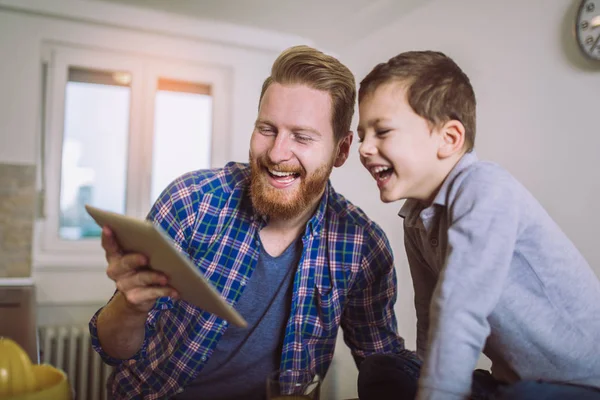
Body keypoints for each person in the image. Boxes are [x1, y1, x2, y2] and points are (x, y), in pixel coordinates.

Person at [89, 45, 406, 400]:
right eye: (267, 129)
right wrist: (130, 307)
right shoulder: (192, 202)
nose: (276, 153)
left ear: (342, 150)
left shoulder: (362, 245)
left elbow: (384, 366)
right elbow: (114, 350)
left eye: (301, 137)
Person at [355, 50, 600, 400]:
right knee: (383, 370)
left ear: (449, 139)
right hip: (510, 382)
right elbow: (429, 312)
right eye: (362, 134)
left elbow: (460, 309)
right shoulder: (415, 219)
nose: (364, 148)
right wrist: (423, 378)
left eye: (382, 131)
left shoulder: (484, 188)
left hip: (581, 383)